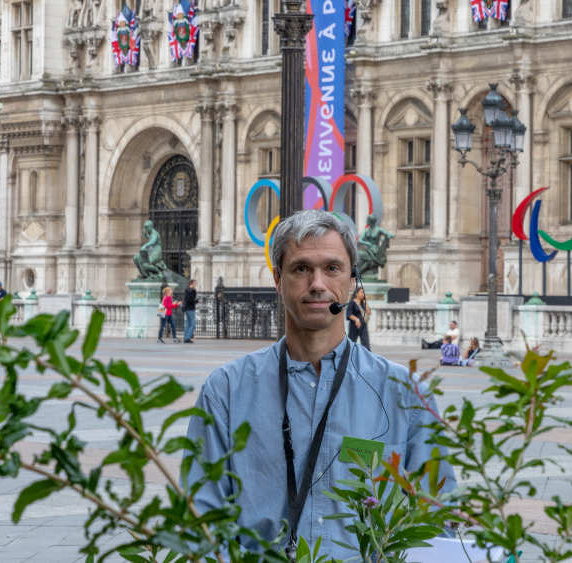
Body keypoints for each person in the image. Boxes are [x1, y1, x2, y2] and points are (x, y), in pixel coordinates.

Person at [186, 210, 455, 559]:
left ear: (351, 280)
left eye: (332, 268)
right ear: (278, 279)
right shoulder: (225, 391)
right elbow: (201, 523)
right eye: (301, 269)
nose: (317, 284)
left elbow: (436, 519)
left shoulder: (406, 394)